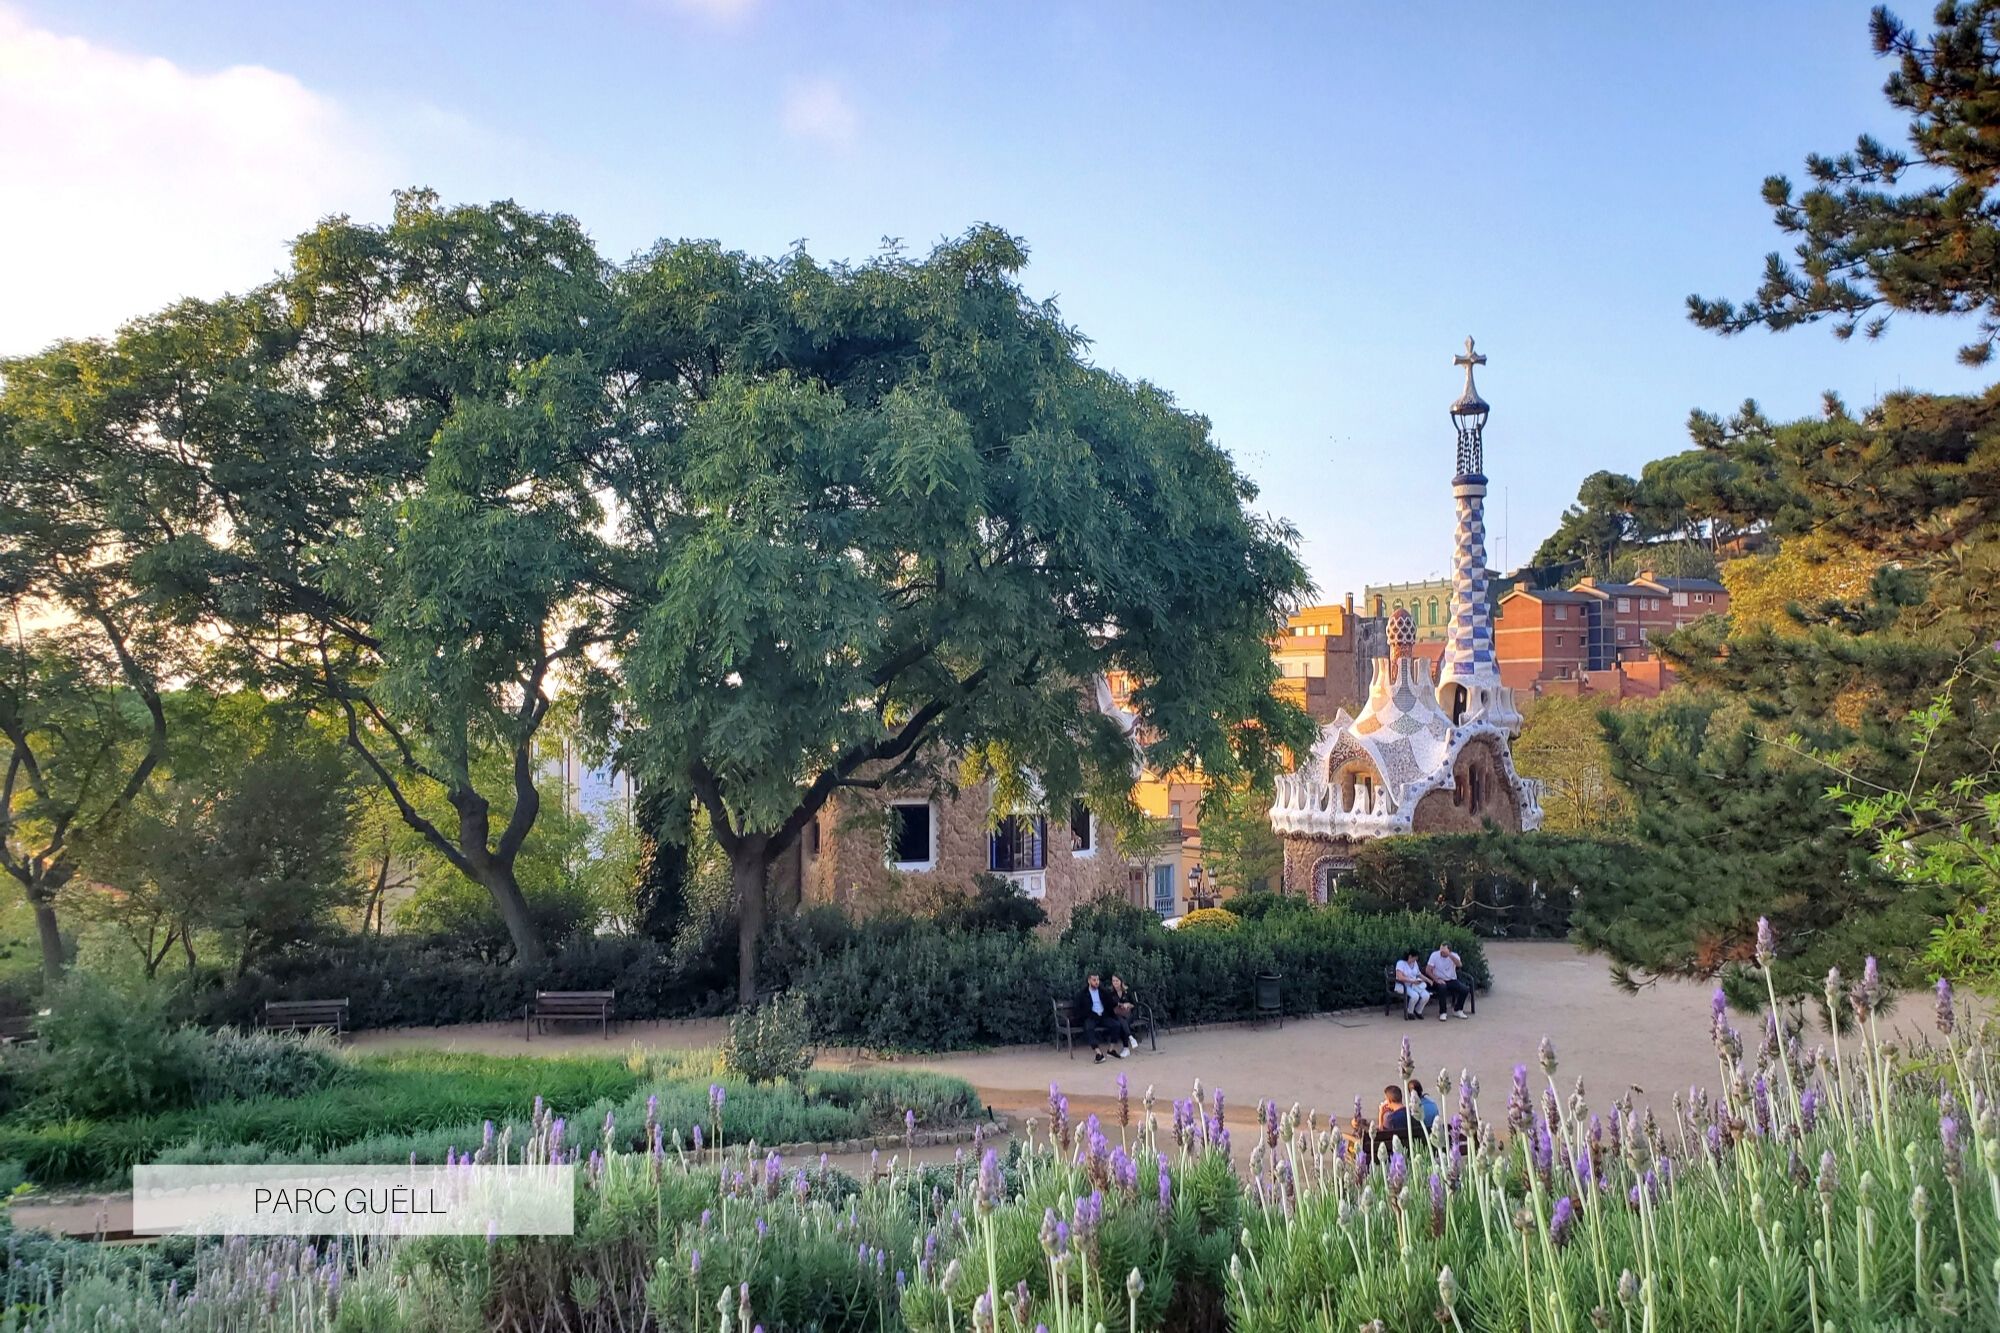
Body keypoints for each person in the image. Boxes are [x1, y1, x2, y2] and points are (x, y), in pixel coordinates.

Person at [1072, 972, 1126, 1063]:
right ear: (1089, 981)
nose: (1096, 982)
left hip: (1103, 1016)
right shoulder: (1082, 994)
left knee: (1116, 1025)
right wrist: (1090, 1015)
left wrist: (1120, 1005)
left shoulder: (1103, 991)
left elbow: (1110, 1003)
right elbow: (1079, 1009)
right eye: (1094, 980)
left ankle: (1111, 1050)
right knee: (1089, 1028)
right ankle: (1098, 1053)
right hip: (1091, 1016)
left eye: (1097, 980)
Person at [1425, 941, 1471, 1021]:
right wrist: (1436, 979)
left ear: (1449, 951)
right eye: (1441, 950)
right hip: (1438, 979)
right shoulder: (1434, 955)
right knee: (1442, 988)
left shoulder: (1454, 956)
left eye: (1444, 951)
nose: (1441, 952)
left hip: (1451, 979)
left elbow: (1459, 965)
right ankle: (1443, 1012)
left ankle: (1458, 1010)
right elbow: (1428, 970)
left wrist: (1449, 955)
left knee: (1465, 989)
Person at [1393, 949, 1430, 1021]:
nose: (1415, 960)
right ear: (1410, 956)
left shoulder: (1415, 963)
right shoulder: (1400, 963)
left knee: (1426, 995)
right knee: (1415, 996)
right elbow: (1400, 977)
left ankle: (1418, 1011)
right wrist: (1412, 981)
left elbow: (1418, 974)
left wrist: (1428, 980)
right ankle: (1410, 1012)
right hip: (1402, 985)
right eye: (1414, 958)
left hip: (1414, 985)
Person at [1108, 974, 1140, 1052]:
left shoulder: (1127, 991)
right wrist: (1119, 1005)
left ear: (1121, 981)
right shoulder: (1110, 993)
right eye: (1113, 981)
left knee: (1123, 1022)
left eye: (1117, 981)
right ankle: (1130, 1038)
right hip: (1117, 1014)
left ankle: (1126, 1047)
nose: (1115, 983)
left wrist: (1128, 1004)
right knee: (1121, 1021)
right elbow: (1109, 1005)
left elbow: (1135, 1004)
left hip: (1129, 1014)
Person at [1374, 1084, 1409, 1149]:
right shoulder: (1410, 1113)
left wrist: (1381, 1115)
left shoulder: (1390, 1119)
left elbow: (1381, 1136)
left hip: (1393, 1150)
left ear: (1389, 1101)